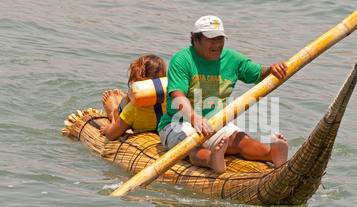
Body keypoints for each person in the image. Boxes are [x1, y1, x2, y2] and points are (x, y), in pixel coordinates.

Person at [158, 15, 289, 173]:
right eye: (211, 39)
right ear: (195, 40)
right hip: (178, 122)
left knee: (242, 141)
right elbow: (177, 96)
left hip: (215, 122)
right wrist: (195, 118)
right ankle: (212, 160)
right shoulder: (182, 60)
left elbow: (259, 74)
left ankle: (271, 155)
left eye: (220, 39)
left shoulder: (232, 59)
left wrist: (271, 69)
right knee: (194, 147)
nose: (217, 45)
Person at [100, 54, 167, 140]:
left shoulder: (133, 109)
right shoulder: (171, 102)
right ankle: (120, 106)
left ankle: (114, 113)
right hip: (157, 134)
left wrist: (107, 129)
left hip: (131, 125)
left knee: (120, 120)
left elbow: (111, 135)